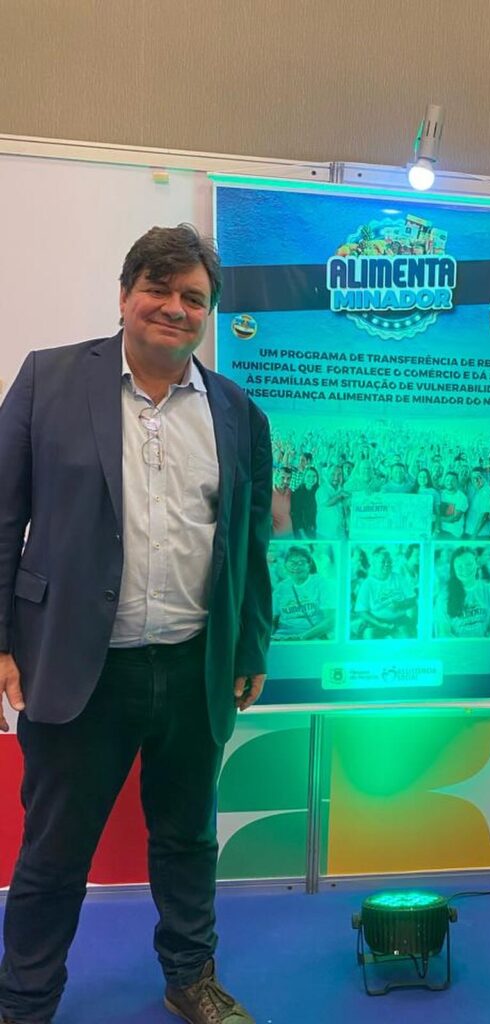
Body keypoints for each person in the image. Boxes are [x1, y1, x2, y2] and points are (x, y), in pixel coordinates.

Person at [0, 225, 272, 1024]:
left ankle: (190, 976)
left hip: (193, 665)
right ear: (125, 296)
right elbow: (3, 516)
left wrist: (249, 643)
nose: (174, 308)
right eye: (158, 288)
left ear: (209, 314)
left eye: (194, 297)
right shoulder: (48, 380)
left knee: (187, 838)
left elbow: (251, 541)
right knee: (55, 849)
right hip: (79, 665)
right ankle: (25, 999)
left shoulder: (237, 411)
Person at [271, 546, 336, 641]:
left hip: (313, 637)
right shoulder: (280, 588)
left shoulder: (322, 584)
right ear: (285, 565)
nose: (296, 567)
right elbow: (274, 619)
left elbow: (331, 620)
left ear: (309, 565)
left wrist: (301, 637)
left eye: (301, 563)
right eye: (292, 563)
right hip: (282, 637)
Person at [434, 546, 490, 639]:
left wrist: (487, 644)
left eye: (469, 564)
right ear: (454, 570)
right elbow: (444, 633)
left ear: (477, 563)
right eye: (459, 567)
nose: (465, 569)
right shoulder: (443, 596)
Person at [353, 547, 417, 640]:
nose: (387, 564)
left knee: (407, 639)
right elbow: (361, 611)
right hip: (375, 622)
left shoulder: (399, 578)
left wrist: (401, 604)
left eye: (389, 561)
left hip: (399, 620)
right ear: (374, 563)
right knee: (369, 637)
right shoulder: (367, 584)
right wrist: (380, 624)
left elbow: (413, 600)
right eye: (383, 561)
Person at [290, 465, 319, 539]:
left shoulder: (318, 491)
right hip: (302, 531)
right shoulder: (297, 493)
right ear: (304, 477)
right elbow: (296, 516)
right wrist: (303, 535)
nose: (311, 479)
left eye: (314, 476)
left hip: (315, 529)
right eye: (308, 476)